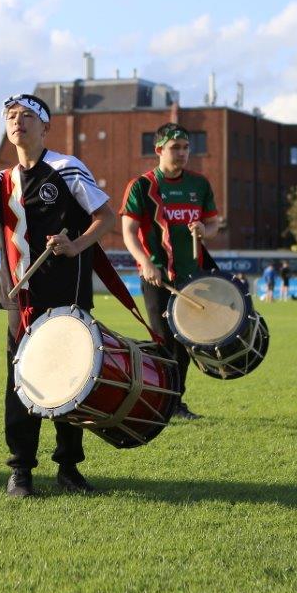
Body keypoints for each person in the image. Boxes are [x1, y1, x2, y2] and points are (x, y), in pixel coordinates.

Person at [0, 93, 113, 498]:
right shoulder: (2, 180)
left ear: (45, 126)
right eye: (11, 116)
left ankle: (68, 468)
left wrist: (76, 245)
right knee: (22, 381)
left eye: (28, 115)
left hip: (67, 294)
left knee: (72, 380)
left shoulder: (67, 168)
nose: (18, 121)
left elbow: (105, 216)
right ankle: (21, 472)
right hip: (20, 298)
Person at [119, 122, 221, 420]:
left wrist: (205, 229)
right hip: (157, 276)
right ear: (159, 150)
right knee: (163, 340)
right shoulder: (142, 185)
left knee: (185, 341)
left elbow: (213, 225)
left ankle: (174, 402)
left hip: (192, 276)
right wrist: (146, 262)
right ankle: (160, 401)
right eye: (175, 147)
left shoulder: (199, 184)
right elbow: (128, 231)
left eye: (186, 147)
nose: (182, 153)